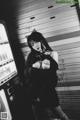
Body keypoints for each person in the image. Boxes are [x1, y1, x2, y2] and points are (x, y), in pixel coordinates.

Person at [24, 30, 70, 120]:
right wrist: (35, 67)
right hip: (37, 93)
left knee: (61, 115)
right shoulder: (31, 56)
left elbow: (53, 68)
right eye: (32, 44)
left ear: (41, 41)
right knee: (43, 116)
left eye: (36, 42)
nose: (35, 45)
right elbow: (27, 72)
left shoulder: (52, 54)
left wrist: (38, 65)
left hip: (49, 91)